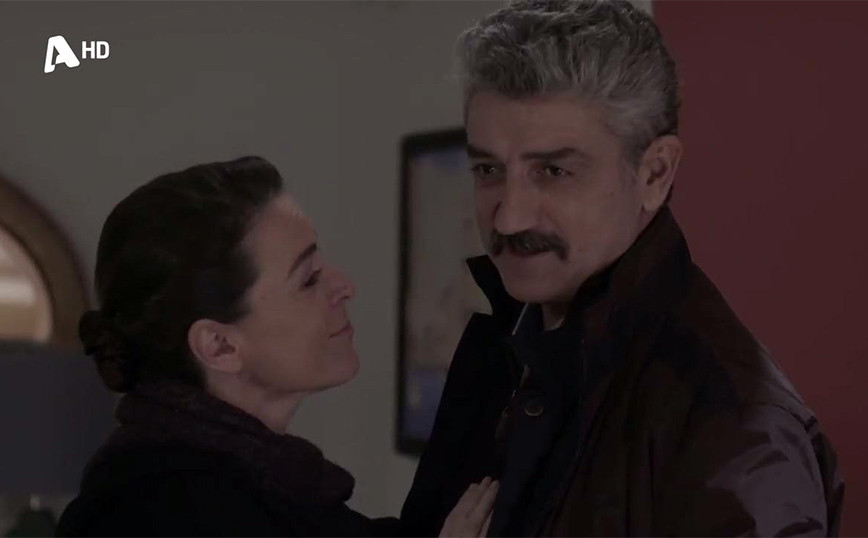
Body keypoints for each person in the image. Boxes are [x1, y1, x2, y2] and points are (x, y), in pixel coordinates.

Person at [401, 1, 845, 536]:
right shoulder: (505, 348)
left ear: (654, 174)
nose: (509, 216)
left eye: (554, 170)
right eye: (489, 169)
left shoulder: (734, 423)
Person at [57, 157, 497, 536]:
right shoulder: (156, 514)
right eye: (308, 278)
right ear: (219, 345)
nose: (345, 286)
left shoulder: (262, 489)